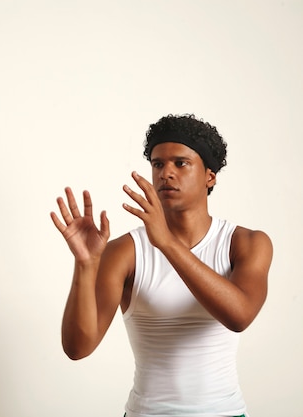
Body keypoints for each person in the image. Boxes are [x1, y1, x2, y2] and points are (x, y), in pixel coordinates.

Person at [50, 114, 272, 417]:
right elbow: (78, 348)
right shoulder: (125, 251)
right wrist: (86, 265)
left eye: (180, 163)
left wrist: (166, 243)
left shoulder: (246, 243)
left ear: (210, 176)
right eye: (157, 164)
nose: (166, 173)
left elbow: (240, 315)